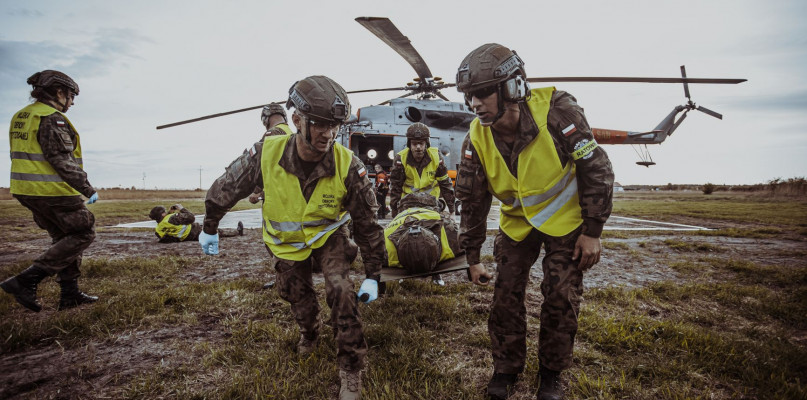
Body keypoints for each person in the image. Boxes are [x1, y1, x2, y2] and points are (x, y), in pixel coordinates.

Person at [199, 76, 385, 400]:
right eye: (320, 124)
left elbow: (367, 224)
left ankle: (351, 369)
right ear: (297, 120)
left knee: (341, 290)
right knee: (298, 296)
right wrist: (210, 226)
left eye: (334, 126)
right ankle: (309, 332)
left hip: (329, 236)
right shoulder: (265, 155)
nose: (328, 134)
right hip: (286, 244)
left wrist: (374, 274)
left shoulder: (347, 165)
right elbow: (227, 187)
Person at [454, 44, 614, 400]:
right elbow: (472, 200)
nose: (474, 104)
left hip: (566, 222)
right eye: (469, 96)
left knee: (560, 295)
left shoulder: (558, 112)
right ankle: (506, 369)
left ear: (512, 88)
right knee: (505, 296)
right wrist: (472, 256)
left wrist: (593, 232)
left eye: (483, 93)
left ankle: (551, 374)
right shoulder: (476, 136)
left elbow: (596, 168)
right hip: (517, 224)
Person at [1, 70, 100, 312]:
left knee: (64, 238)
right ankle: (27, 280)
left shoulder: (23, 116)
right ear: (59, 92)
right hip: (51, 190)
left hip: (26, 189)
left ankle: (69, 293)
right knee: (83, 232)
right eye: (71, 96)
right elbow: (60, 159)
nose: (72, 102)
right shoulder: (51, 118)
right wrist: (87, 188)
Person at [389, 122, 456, 286]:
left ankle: (437, 273)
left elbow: (445, 184)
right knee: (401, 234)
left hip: (431, 204)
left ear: (427, 143)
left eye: (421, 143)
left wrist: (452, 208)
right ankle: (402, 270)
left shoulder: (436, 157)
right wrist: (394, 212)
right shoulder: (400, 159)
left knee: (437, 233)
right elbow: (395, 187)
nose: (418, 147)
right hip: (408, 204)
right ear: (409, 144)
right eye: (414, 144)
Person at [384, 192, 460, 274]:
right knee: (439, 205)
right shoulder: (449, 235)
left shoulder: (387, 252)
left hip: (406, 207)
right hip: (427, 207)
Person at [249, 104, 294, 204]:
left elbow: (263, 164)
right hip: (289, 194)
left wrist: (256, 191)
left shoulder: (272, 134)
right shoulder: (290, 133)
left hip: (277, 201)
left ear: (265, 120)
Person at [148, 204, 242, 243]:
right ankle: (237, 231)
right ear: (162, 214)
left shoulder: (158, 229)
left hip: (186, 238)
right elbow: (191, 217)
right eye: (165, 212)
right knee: (217, 231)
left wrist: (169, 213)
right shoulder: (172, 218)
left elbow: (165, 236)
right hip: (194, 231)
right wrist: (181, 208)